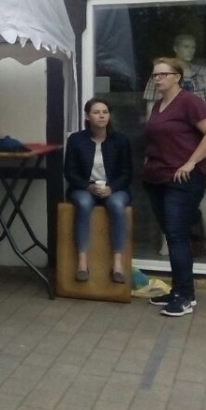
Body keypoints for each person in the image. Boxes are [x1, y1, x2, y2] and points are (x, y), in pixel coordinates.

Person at [142, 58, 206, 318]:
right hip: (157, 177)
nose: (157, 79)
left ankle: (183, 297)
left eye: (162, 74)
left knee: (177, 235)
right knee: (172, 234)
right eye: (154, 75)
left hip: (183, 179)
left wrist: (191, 162)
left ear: (177, 77)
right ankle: (182, 290)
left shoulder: (190, 102)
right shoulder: (158, 105)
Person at [143, 34, 206, 256]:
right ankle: (168, 245)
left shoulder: (205, 75)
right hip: (167, 148)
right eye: (186, 46)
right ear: (175, 47)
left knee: (203, 195)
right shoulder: (159, 76)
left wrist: (188, 112)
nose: (190, 50)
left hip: (198, 142)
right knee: (168, 204)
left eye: (193, 46)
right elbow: (151, 109)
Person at [63, 98, 132, 284]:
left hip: (114, 187)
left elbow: (127, 173)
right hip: (84, 187)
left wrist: (111, 188)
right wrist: (88, 186)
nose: (102, 116)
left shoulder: (120, 140)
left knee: (116, 204)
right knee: (84, 203)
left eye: (105, 112)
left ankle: (117, 264)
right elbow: (69, 172)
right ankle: (82, 262)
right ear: (87, 116)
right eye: (96, 112)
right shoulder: (76, 140)